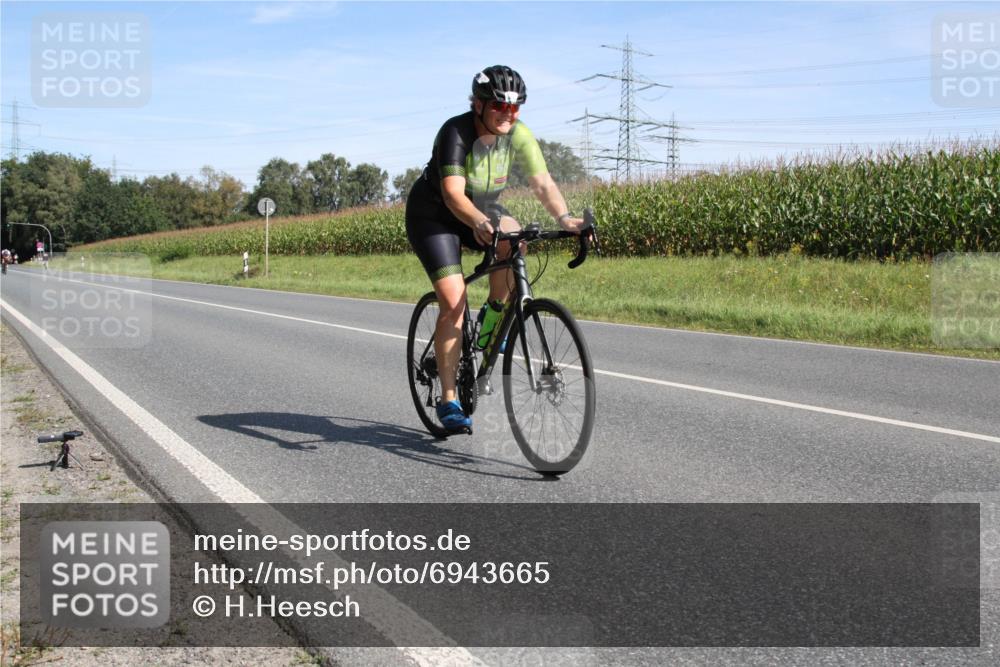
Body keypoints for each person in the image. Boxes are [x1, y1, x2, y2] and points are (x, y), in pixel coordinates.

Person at [406, 65, 591, 432]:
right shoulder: (455, 132)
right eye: (498, 107)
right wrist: (477, 223)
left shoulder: (518, 135)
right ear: (478, 104)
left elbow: (542, 183)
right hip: (435, 218)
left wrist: (567, 219)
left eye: (514, 108)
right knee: (454, 302)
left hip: (481, 211)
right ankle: (448, 399)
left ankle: (492, 321)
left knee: (516, 237)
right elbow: (453, 195)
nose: (507, 115)